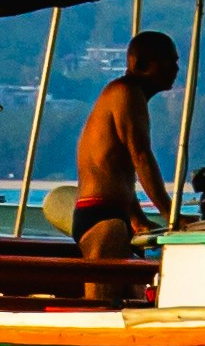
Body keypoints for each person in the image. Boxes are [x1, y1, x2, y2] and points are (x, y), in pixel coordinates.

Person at [67, 29, 176, 266]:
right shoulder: (126, 92)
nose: (176, 69)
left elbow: (117, 169)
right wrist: (171, 215)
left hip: (115, 212)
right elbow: (141, 157)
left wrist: (137, 218)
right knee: (106, 302)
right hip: (102, 217)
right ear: (143, 64)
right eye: (169, 61)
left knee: (131, 298)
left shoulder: (129, 95)